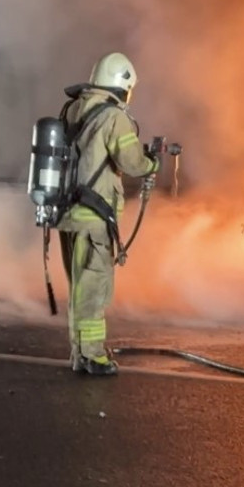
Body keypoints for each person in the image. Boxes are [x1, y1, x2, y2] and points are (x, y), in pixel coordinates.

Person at [54, 52, 160, 376]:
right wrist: (153, 162)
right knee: (95, 287)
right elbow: (131, 161)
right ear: (122, 84)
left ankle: (79, 353)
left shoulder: (74, 108)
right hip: (93, 217)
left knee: (80, 288)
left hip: (68, 215)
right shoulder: (114, 116)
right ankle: (93, 355)